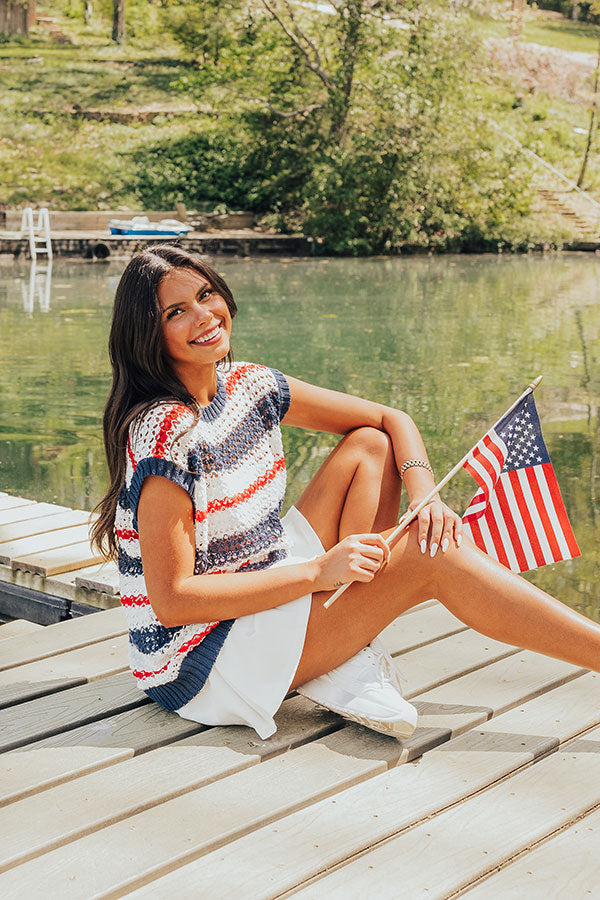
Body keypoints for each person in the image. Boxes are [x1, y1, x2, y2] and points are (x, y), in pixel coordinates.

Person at [92, 245, 600, 742]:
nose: (204, 316)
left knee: (370, 447)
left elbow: (388, 418)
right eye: (177, 312)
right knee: (433, 557)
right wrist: (317, 572)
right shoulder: (167, 436)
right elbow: (174, 601)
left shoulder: (248, 385)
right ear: (148, 336)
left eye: (207, 295)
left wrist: (423, 488)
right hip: (199, 662)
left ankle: (346, 634)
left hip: (255, 580)